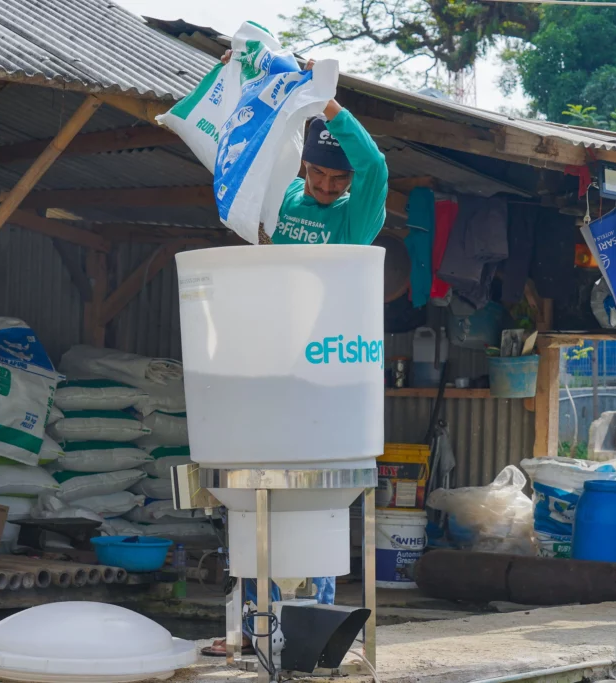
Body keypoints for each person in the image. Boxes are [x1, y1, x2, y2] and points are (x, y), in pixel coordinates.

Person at [201, 49, 388, 658]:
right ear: (304, 166)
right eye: (319, 176)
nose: (329, 187)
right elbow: (248, 161)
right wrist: (256, 80)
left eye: (338, 180)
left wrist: (322, 100)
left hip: (328, 371)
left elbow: (376, 163)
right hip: (271, 365)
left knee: (314, 503)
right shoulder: (283, 201)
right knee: (260, 503)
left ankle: (313, 635)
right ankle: (250, 632)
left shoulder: (357, 216)